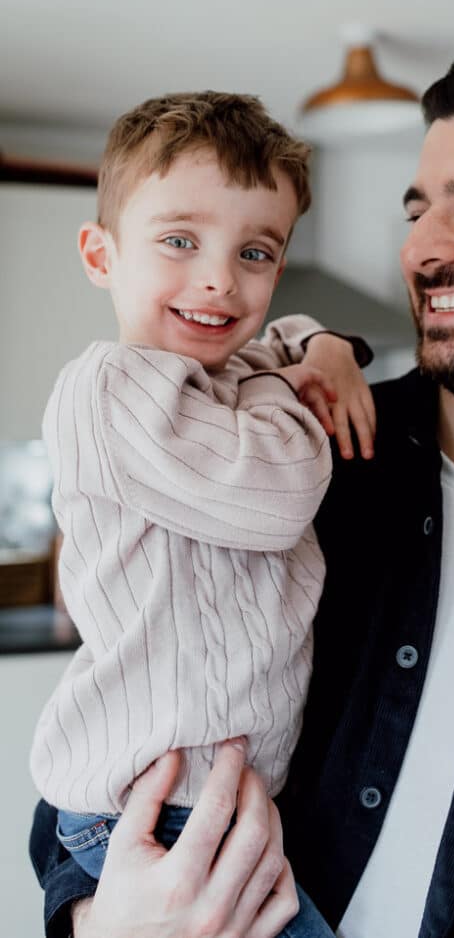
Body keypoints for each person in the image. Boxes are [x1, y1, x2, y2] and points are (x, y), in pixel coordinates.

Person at [31, 50, 454, 938]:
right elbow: (122, 730)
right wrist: (99, 919)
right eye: (417, 209)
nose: (423, 247)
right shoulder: (304, 454)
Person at [28, 90, 376, 938]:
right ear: (100, 255)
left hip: (207, 800)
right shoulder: (108, 389)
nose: (220, 277)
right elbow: (282, 493)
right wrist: (281, 375)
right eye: (180, 241)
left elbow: (284, 337)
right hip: (156, 812)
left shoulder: (221, 373)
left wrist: (326, 347)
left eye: (255, 251)